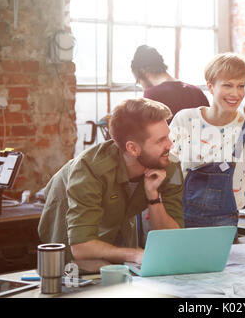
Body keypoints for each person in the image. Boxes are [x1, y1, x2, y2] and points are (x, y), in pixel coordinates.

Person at [38, 98, 184, 270]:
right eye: (161, 140)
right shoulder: (89, 170)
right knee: (71, 269)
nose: (170, 144)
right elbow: (80, 247)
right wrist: (135, 254)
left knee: (121, 270)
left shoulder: (169, 164)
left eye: (168, 136)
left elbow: (171, 239)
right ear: (133, 149)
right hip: (65, 202)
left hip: (119, 213)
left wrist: (154, 198)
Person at [169, 52, 245, 250]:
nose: (235, 93)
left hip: (224, 225)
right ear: (210, 86)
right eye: (227, 85)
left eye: (240, 86)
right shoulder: (185, 120)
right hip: (180, 218)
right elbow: (168, 170)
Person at [131, 45, 209, 121]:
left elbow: (147, 131)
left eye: (138, 81)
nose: (141, 86)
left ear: (144, 73)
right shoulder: (196, 91)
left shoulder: (151, 95)